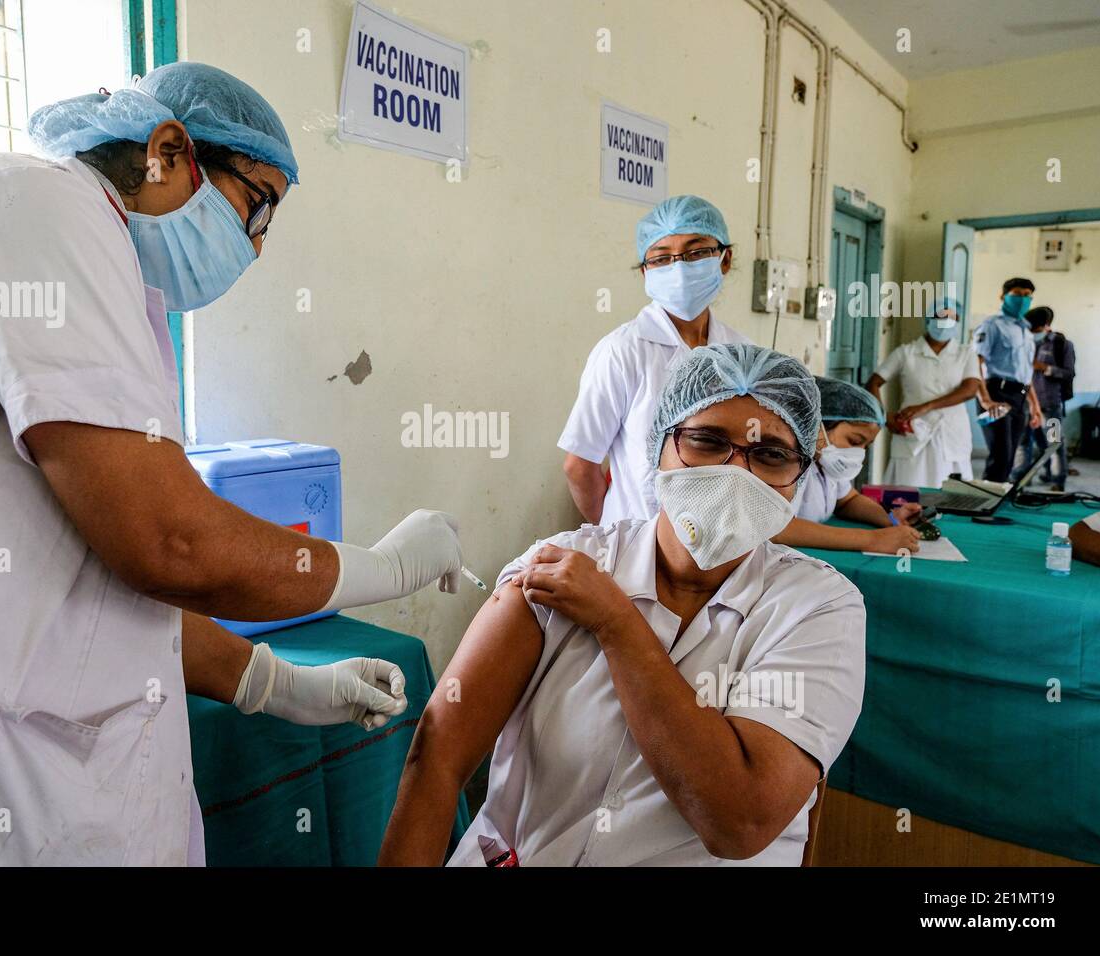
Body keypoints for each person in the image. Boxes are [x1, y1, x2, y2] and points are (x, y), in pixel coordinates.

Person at [0, 62, 466, 865]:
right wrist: (388, 566)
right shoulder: (37, 202)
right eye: (256, 205)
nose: (256, 249)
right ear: (168, 150)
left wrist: (274, 683)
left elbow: (108, 575)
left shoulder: (100, 276)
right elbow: (169, 542)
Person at [379, 344, 866, 867]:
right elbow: (437, 757)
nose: (737, 473)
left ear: (798, 475)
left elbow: (739, 823)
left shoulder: (818, 610)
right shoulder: (564, 565)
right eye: (706, 441)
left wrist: (616, 624)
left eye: (769, 454)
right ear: (658, 446)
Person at [559, 195, 750, 526]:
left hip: (723, 540)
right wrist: (618, 535)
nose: (679, 269)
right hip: (640, 545)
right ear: (645, 271)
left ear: (724, 258)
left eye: (697, 252)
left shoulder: (741, 351)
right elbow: (580, 465)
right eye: (662, 258)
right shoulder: (623, 351)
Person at [773, 377, 921, 554]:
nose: (860, 452)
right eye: (855, 441)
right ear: (815, 425)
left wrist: (890, 518)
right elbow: (778, 528)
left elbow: (848, 501)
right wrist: (872, 540)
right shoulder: (783, 462)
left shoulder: (825, 462)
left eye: (866, 445)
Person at [866, 297, 982, 487]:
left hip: (951, 434)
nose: (945, 322)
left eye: (951, 317)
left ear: (958, 322)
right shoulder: (906, 353)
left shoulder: (966, 353)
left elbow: (969, 389)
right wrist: (885, 417)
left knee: (953, 494)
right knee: (908, 492)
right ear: (928, 319)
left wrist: (925, 407)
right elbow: (873, 383)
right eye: (939, 316)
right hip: (912, 433)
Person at [973, 277, 1044, 482]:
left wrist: (1035, 406)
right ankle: (986, 508)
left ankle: (999, 503)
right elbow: (975, 363)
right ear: (1003, 296)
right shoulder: (992, 325)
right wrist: (985, 400)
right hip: (996, 393)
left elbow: (1025, 373)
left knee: (1011, 457)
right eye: (1016, 294)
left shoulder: (1026, 332)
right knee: (1000, 456)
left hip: (1019, 397)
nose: (1022, 299)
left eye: (1027, 296)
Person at [1014, 307, 1075, 491]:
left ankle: (1057, 480)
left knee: (1053, 443)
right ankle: (1019, 479)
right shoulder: (1024, 343)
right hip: (1024, 404)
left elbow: (1069, 373)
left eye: (1034, 330)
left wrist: (1044, 367)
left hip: (1050, 404)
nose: (1031, 333)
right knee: (1022, 443)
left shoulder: (1062, 344)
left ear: (1045, 326)